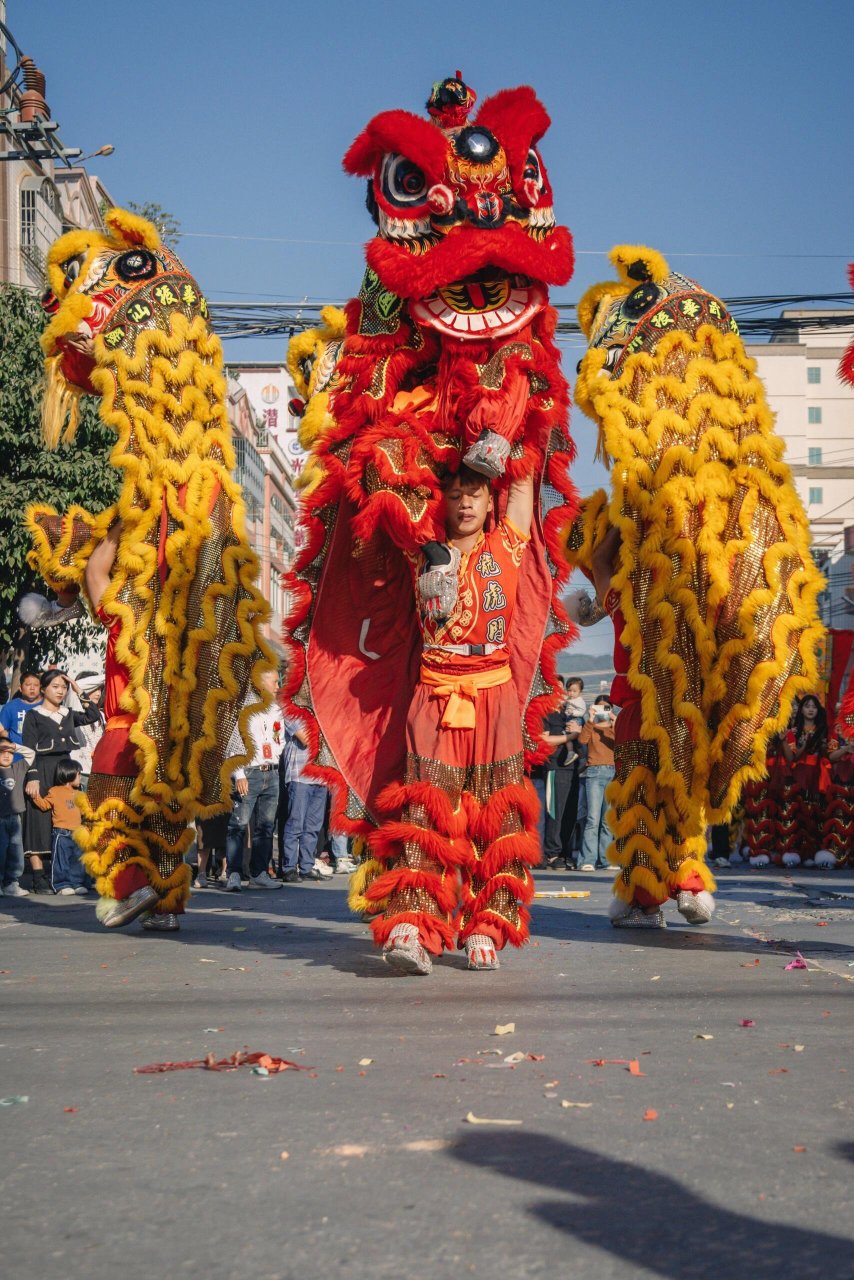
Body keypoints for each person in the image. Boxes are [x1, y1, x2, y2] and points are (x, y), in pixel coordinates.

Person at [364, 465, 540, 975]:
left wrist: (508, 413)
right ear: (441, 503)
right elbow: (387, 491)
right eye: (456, 494)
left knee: (496, 811)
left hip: (495, 693)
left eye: (476, 494)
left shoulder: (509, 543)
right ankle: (413, 926)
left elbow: (525, 477)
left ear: (492, 504)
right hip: (435, 692)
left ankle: (486, 924)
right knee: (428, 810)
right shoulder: (420, 549)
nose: (465, 503)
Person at [22, 669, 101, 895]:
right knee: (38, 820)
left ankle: (66, 874)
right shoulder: (33, 715)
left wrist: (78, 689)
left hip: (64, 770)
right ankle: (39, 876)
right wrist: (33, 776)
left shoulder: (68, 713)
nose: (60, 690)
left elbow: (93, 715)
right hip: (42, 768)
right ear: (44, 689)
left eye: (63, 687)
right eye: (55, 686)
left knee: (67, 821)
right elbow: (28, 749)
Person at [224, 668, 284, 892]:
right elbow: (233, 743)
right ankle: (234, 874)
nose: (278, 686)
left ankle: (259, 873)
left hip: (272, 772)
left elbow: (279, 738)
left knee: (266, 827)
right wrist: (238, 773)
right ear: (260, 682)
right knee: (238, 824)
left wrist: (274, 759)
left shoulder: (275, 709)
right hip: (249, 772)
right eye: (275, 681)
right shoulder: (244, 708)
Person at [280, 717, 332, 882]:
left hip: (321, 777)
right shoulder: (293, 711)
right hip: (300, 776)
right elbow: (305, 739)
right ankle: (289, 868)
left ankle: (306, 867)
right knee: (295, 823)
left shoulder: (321, 712)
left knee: (313, 826)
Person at [781, 694, 829, 867]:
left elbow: (829, 755)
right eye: (807, 706)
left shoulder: (823, 730)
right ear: (801, 709)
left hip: (816, 774)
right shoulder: (793, 732)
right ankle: (793, 852)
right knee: (795, 813)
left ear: (818, 710)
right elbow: (791, 758)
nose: (810, 709)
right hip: (798, 773)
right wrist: (801, 745)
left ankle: (811, 852)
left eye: (814, 706)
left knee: (814, 812)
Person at [34, 757, 89, 895]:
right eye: (78, 774)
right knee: (60, 860)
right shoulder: (55, 791)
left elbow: (84, 812)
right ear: (69, 774)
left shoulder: (79, 793)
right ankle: (61, 884)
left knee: (77, 859)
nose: (80, 777)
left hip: (77, 832)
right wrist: (35, 796)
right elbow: (44, 805)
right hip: (61, 833)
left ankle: (76, 883)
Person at [576, 696, 616, 871]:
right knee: (593, 818)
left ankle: (607, 859)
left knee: (607, 820)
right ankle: (587, 860)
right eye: (599, 707)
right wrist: (591, 719)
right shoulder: (591, 727)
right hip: (593, 772)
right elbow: (582, 740)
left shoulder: (614, 727)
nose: (603, 711)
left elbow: (621, 740)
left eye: (606, 708)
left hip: (612, 772)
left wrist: (614, 720)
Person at [0, 739, 28, 897]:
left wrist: (14, 746)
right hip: (0, 818)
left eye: (10, 753)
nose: (6, 755)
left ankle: (12, 883)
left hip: (15, 818)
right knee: (1, 851)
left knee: (16, 851)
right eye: (2, 752)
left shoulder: (18, 768)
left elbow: (31, 755)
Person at [0, 671, 42, 757]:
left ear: (40, 688)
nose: (32, 688)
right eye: (28, 685)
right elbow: (2, 731)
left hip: (40, 756)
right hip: (16, 757)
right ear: (20, 688)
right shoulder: (10, 707)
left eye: (36, 685)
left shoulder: (47, 705)